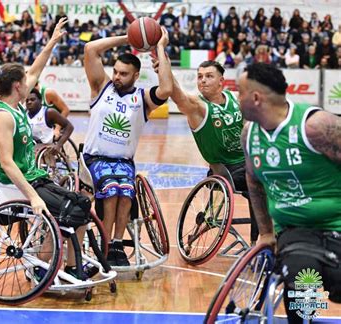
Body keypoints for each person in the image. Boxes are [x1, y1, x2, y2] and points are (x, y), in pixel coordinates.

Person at [0, 18, 88, 278]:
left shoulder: (15, 103)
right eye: (26, 82)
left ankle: (73, 266)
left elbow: (35, 69)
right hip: (9, 184)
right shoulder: (2, 116)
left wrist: (52, 41)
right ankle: (43, 267)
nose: (32, 83)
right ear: (18, 87)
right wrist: (33, 196)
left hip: (31, 177)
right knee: (69, 212)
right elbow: (6, 162)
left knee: (82, 203)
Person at [239, 63, 341, 323]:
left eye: (239, 92)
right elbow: (253, 182)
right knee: (301, 279)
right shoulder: (249, 134)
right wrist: (264, 232)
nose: (236, 99)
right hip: (296, 231)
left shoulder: (316, 126)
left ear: (256, 98)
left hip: (338, 222)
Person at [82, 27, 172, 266]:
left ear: (136, 76)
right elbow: (90, 49)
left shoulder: (142, 98)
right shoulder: (101, 87)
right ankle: (105, 242)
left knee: (126, 192)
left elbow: (166, 90)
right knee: (111, 190)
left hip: (123, 161)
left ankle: (117, 244)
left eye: (123, 74)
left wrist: (159, 48)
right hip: (94, 159)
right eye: (116, 71)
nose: (117, 77)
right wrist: (130, 38)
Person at [152, 58, 259, 244]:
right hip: (225, 170)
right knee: (258, 182)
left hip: (248, 161)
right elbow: (177, 94)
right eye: (200, 76)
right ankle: (257, 243)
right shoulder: (197, 106)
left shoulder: (235, 98)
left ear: (221, 82)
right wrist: (164, 68)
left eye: (209, 76)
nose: (202, 80)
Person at [26, 87, 74, 156]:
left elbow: (69, 126)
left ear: (40, 100)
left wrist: (59, 145)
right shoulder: (24, 114)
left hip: (45, 149)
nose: (29, 102)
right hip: (30, 147)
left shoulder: (49, 112)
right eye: (27, 101)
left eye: (32, 100)